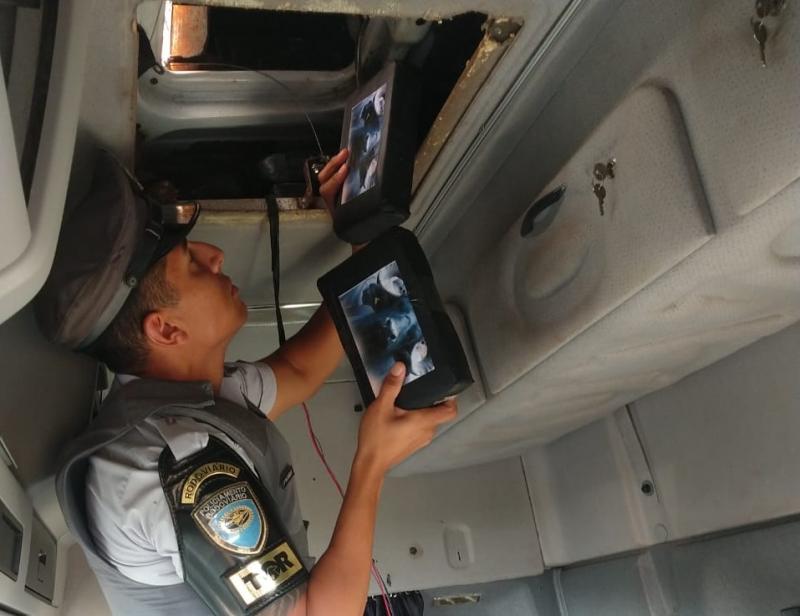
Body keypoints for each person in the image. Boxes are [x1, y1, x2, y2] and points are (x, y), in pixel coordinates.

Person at [35, 147, 457, 616]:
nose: (215, 256)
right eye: (192, 264)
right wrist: (372, 462)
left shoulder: (193, 397)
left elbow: (300, 369)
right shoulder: (175, 462)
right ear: (167, 331)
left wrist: (360, 238)